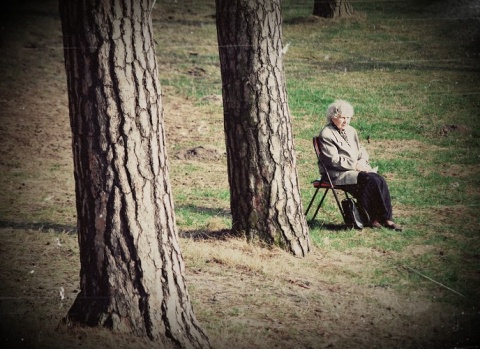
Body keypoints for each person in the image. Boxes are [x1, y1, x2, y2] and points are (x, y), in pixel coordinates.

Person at [317, 99, 402, 231]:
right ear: (333, 117)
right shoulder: (326, 134)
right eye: (342, 118)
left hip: (355, 170)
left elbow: (361, 150)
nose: (346, 121)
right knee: (369, 180)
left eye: (348, 118)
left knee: (379, 179)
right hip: (337, 173)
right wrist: (355, 165)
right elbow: (333, 160)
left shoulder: (351, 131)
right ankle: (372, 219)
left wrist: (362, 161)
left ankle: (386, 218)